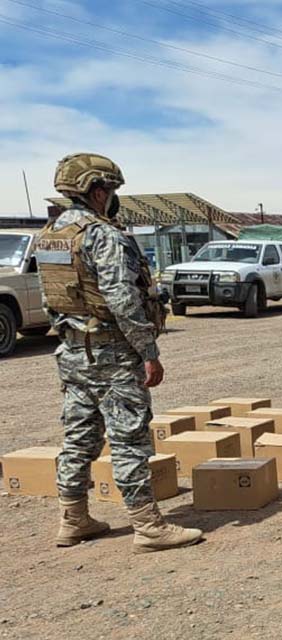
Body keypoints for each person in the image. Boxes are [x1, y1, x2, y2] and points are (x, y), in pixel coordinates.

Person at [38, 153, 202, 553]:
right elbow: (122, 298)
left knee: (78, 438)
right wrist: (148, 350)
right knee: (128, 438)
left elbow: (51, 299)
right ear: (97, 190)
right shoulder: (103, 234)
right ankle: (148, 526)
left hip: (72, 351)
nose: (113, 199)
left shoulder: (51, 235)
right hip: (112, 352)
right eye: (111, 190)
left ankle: (73, 519)